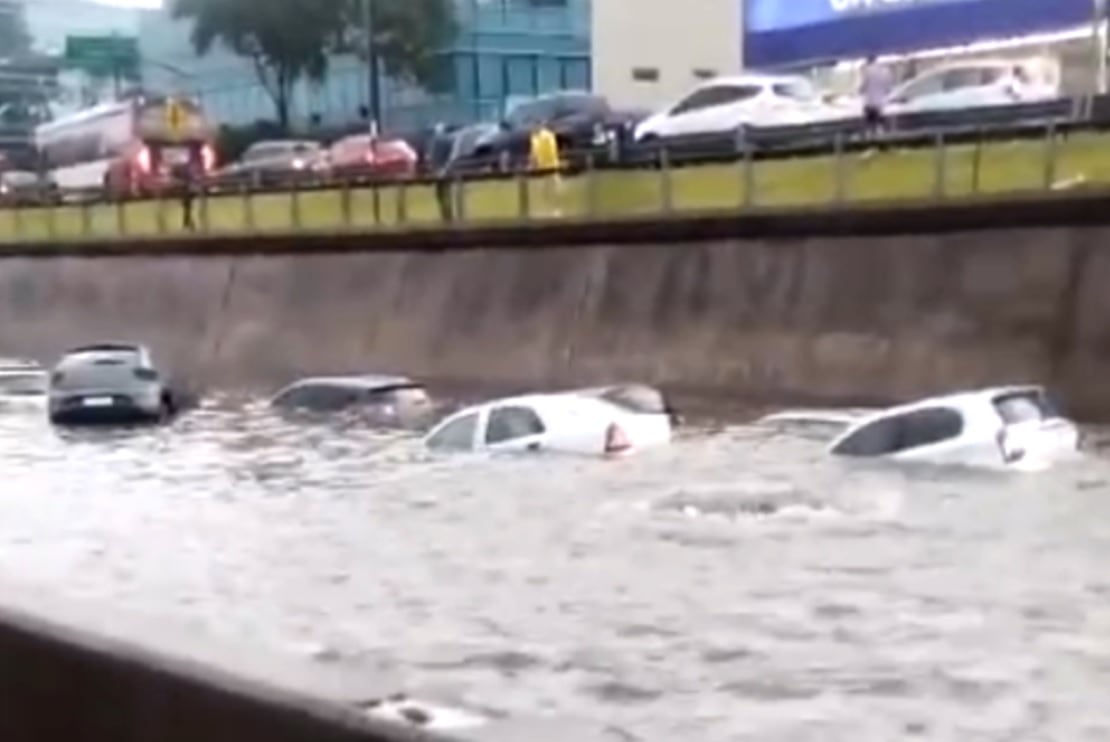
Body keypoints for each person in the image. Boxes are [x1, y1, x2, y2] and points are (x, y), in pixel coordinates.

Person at [529, 122, 561, 217]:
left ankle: (554, 210)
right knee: (544, 191)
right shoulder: (534, 138)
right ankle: (547, 210)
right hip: (542, 168)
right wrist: (533, 163)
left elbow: (551, 151)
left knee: (552, 190)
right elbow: (533, 154)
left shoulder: (547, 136)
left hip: (550, 167)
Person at [860, 55, 894, 141]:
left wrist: (860, 90)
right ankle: (887, 135)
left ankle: (870, 138)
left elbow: (863, 86)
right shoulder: (885, 70)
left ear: (868, 60)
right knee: (880, 118)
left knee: (870, 121)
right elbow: (888, 88)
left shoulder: (867, 70)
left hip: (870, 101)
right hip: (881, 101)